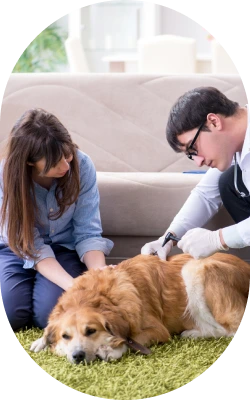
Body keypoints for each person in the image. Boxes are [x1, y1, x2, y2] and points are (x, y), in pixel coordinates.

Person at [0, 107, 114, 332]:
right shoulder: (6, 175)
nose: (65, 166)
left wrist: (98, 277)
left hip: (63, 249)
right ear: (30, 162)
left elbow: (87, 232)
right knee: (14, 316)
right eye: (54, 163)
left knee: (48, 317)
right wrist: (74, 286)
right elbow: (30, 244)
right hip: (16, 249)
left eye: (67, 155)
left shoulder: (82, 165)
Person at [141, 86, 250, 260]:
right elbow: (205, 194)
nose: (198, 162)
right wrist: (168, 238)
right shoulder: (235, 144)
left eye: (193, 148)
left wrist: (218, 239)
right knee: (227, 181)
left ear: (214, 121)